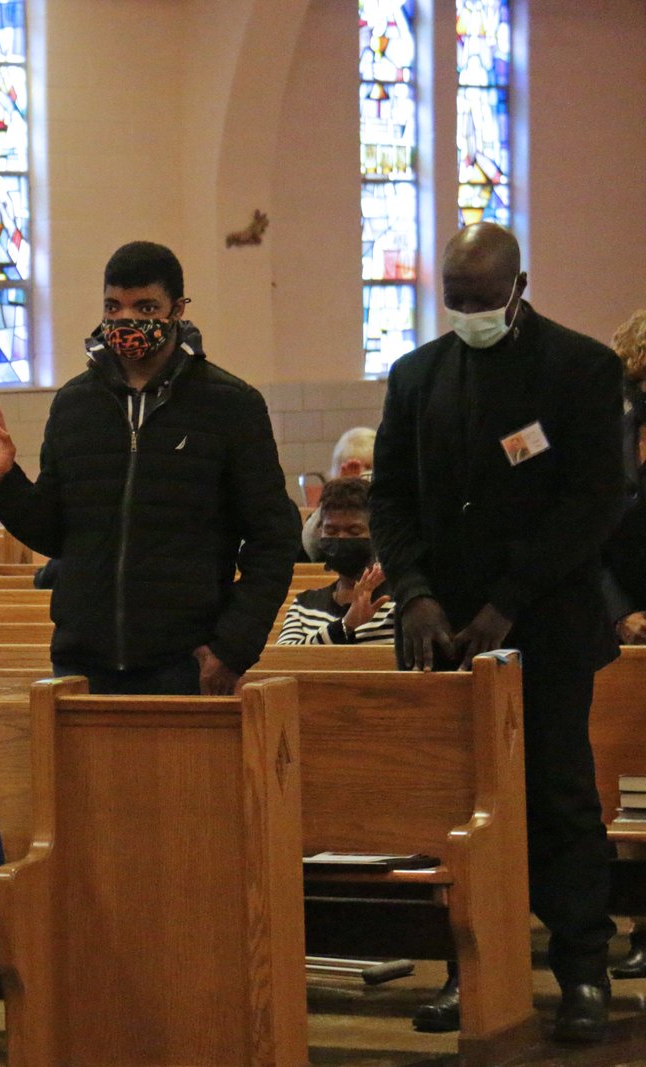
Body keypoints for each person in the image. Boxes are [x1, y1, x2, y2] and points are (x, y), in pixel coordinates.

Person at [369, 222, 626, 1043]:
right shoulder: (416, 376)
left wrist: (508, 600)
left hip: (547, 623)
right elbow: (391, 501)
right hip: (446, 632)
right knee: (462, 808)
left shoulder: (581, 367)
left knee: (558, 796)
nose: (468, 313)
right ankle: (469, 968)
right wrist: (412, 592)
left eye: (482, 300)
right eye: (455, 300)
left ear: (519, 286)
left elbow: (594, 499)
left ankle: (583, 972)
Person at [0, 240, 300, 695]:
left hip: (184, 661)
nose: (125, 321)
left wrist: (233, 648)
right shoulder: (75, 405)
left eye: (145, 307)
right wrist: (2, 482)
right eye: (113, 306)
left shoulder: (230, 405)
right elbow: (55, 534)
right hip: (82, 661)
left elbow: (273, 538)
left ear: (176, 309)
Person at [601, 309, 646, 981]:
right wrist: (623, 613)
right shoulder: (615, 416)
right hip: (631, 619)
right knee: (636, 779)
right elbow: (595, 531)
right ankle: (643, 919)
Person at [277, 477, 393, 645]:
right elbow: (289, 658)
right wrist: (346, 625)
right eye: (330, 531)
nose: (341, 538)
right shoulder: (305, 604)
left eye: (354, 531)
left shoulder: (399, 601)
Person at [303, 427, 377, 560]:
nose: (360, 475)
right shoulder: (322, 516)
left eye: (368, 469)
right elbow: (311, 546)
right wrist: (338, 494)